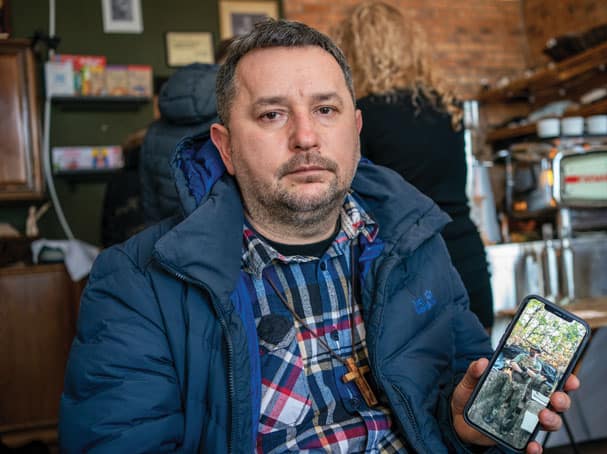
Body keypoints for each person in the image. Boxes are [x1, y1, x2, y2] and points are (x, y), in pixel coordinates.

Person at [59, 19, 578, 453]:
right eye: (272, 114)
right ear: (225, 146)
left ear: (355, 130)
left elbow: (447, 407)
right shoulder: (137, 283)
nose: (306, 137)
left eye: (325, 110)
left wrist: (463, 426)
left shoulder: (415, 245)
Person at [334, 1, 495, 330]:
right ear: (409, 46)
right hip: (465, 252)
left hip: (407, 266)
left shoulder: (362, 117)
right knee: (478, 368)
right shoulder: (447, 108)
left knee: (418, 376)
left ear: (352, 51)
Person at [139, 39, 233, 224]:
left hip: (168, 236)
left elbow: (148, 199)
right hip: (223, 235)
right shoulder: (232, 121)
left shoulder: (154, 130)